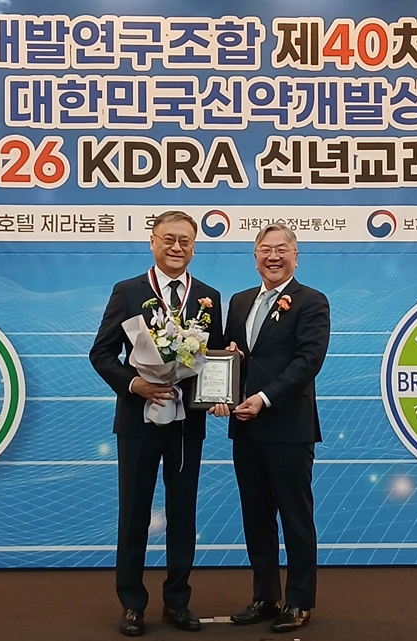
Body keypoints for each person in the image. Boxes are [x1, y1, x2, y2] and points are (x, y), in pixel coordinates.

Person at [89, 211, 224, 637]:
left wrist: (223, 383)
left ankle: (177, 602)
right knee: (134, 513)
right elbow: (101, 354)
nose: (176, 247)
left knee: (183, 513)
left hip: (188, 426)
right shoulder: (128, 291)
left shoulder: (208, 297)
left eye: (185, 240)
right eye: (168, 239)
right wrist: (136, 384)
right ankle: (132, 603)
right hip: (137, 422)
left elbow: (214, 357)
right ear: (152, 241)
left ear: (194, 246)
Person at [212, 222, 330, 633]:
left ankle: (299, 601)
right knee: (256, 517)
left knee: (296, 517)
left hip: (288, 427)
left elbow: (308, 361)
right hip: (245, 428)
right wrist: (221, 390)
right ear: (255, 257)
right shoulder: (240, 301)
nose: (273, 256)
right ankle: (265, 596)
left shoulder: (312, 301)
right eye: (265, 249)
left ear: (295, 256)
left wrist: (263, 398)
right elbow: (228, 355)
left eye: (282, 249)